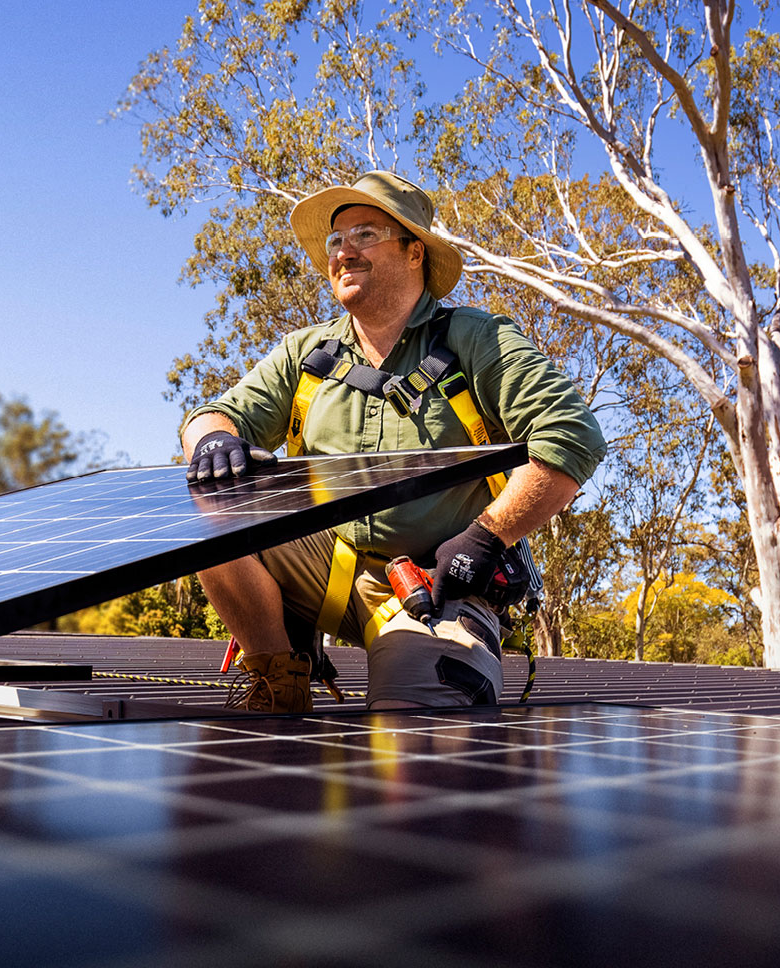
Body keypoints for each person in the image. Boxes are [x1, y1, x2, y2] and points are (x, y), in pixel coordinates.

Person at [182, 171, 606, 711]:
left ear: (414, 253)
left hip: (436, 582)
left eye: (365, 235)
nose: (343, 252)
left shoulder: (474, 337)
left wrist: (484, 540)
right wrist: (209, 441)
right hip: (326, 569)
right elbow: (214, 416)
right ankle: (280, 675)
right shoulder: (305, 352)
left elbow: (572, 436)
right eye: (336, 241)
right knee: (210, 502)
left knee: (420, 743)